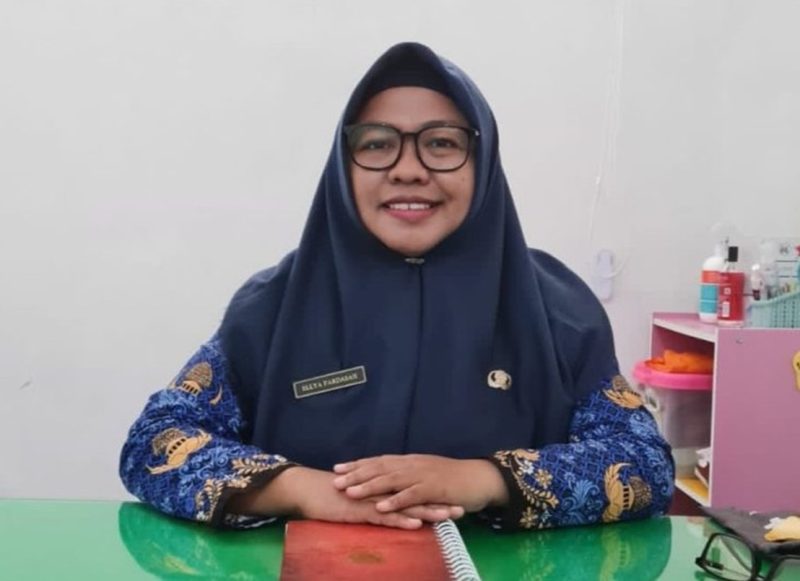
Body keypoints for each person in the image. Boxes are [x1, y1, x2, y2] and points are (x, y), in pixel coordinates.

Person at [120, 42, 674, 531]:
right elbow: (155, 443)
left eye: (441, 143)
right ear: (343, 166)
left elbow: (644, 463)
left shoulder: (555, 308)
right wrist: (305, 491)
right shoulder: (273, 306)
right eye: (377, 144)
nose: (408, 169)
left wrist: (483, 480)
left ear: (483, 162)